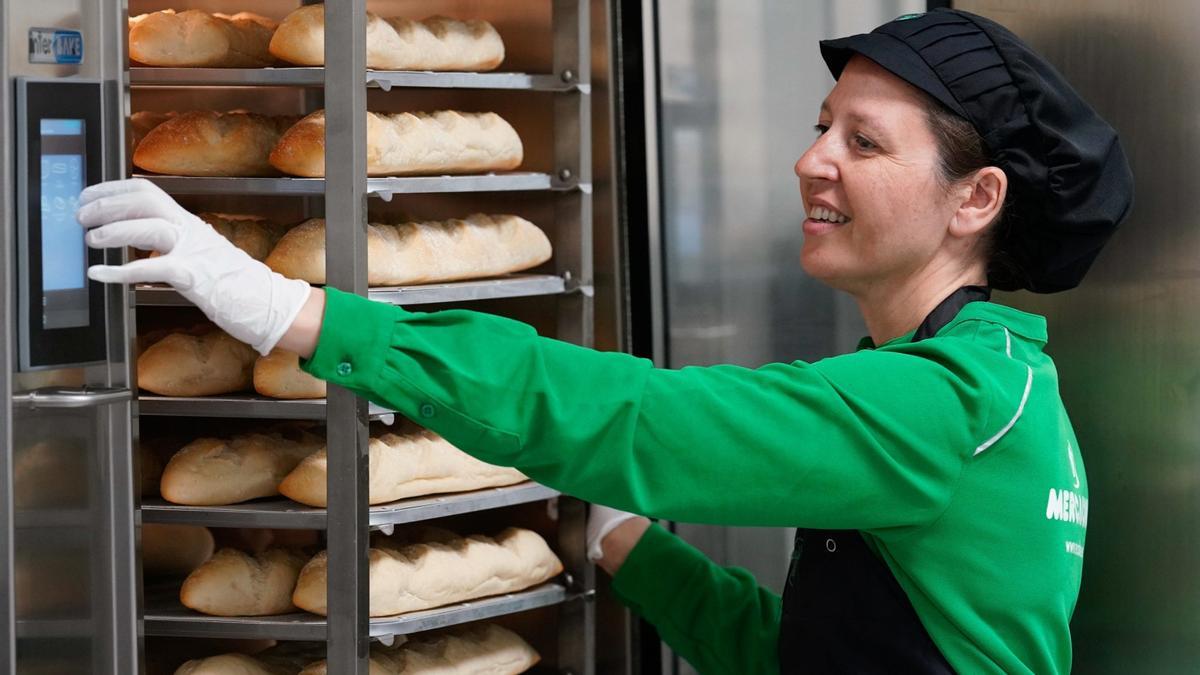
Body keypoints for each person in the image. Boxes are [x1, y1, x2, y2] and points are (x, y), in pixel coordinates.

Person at [78, 9, 1131, 674]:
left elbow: (643, 420)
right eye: (821, 124)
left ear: (975, 200)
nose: (814, 160)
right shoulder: (1001, 387)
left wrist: (295, 313)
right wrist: (630, 546)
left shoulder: (941, 407)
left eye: (863, 142)